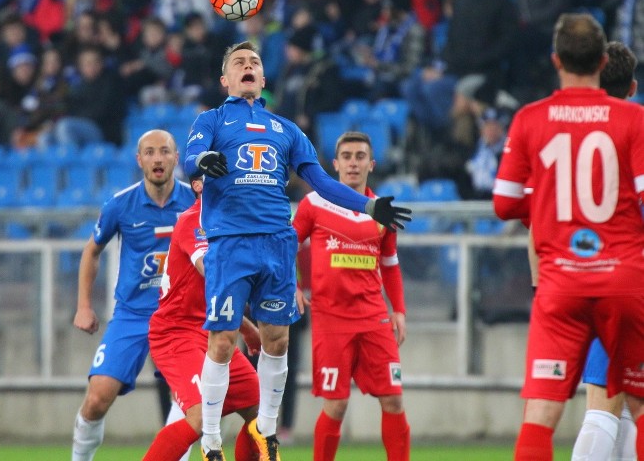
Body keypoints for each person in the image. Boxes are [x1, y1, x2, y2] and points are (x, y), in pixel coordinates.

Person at [185, 41, 411, 460]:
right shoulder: (211, 120)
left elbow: (321, 182)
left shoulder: (286, 130)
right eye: (239, 62)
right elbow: (191, 157)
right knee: (222, 340)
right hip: (230, 243)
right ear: (225, 80)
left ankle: (267, 431)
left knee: (277, 339)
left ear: (264, 79)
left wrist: (367, 204)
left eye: (254, 62)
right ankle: (211, 439)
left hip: (275, 243)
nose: (248, 66)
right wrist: (203, 161)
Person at [493, 13, 644, 460]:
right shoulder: (632, 122)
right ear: (600, 61)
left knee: (541, 414)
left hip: (560, 284)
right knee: (631, 403)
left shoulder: (532, 119)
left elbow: (505, 203)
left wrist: (547, 209)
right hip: (623, 280)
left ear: (556, 60)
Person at [71, 129, 195, 461]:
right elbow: (91, 251)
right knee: (98, 397)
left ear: (175, 158)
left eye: (165, 151)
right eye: (150, 152)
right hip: (132, 315)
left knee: (187, 401)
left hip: (182, 318)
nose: (158, 158)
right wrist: (84, 306)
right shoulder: (121, 204)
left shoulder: (196, 203)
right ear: (139, 159)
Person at [293, 131, 410, 461]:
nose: (353, 163)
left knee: (394, 400)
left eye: (360, 157)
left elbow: (390, 264)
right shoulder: (314, 203)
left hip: (374, 318)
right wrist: (292, 285)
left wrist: (398, 310)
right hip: (331, 319)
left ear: (371, 164)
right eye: (347, 156)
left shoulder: (382, 212)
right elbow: (287, 245)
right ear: (335, 164)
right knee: (337, 404)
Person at [143, 176, 261, 461]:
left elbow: (216, 292)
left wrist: (245, 327)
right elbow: (212, 273)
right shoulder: (193, 220)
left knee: (259, 408)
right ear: (198, 185)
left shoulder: (231, 224)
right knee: (200, 418)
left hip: (212, 328)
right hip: (176, 333)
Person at [570, 41, 638, 460]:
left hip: (580, 277)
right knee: (610, 402)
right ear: (632, 87)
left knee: (617, 402)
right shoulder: (637, 131)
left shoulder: (567, 133)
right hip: (629, 279)